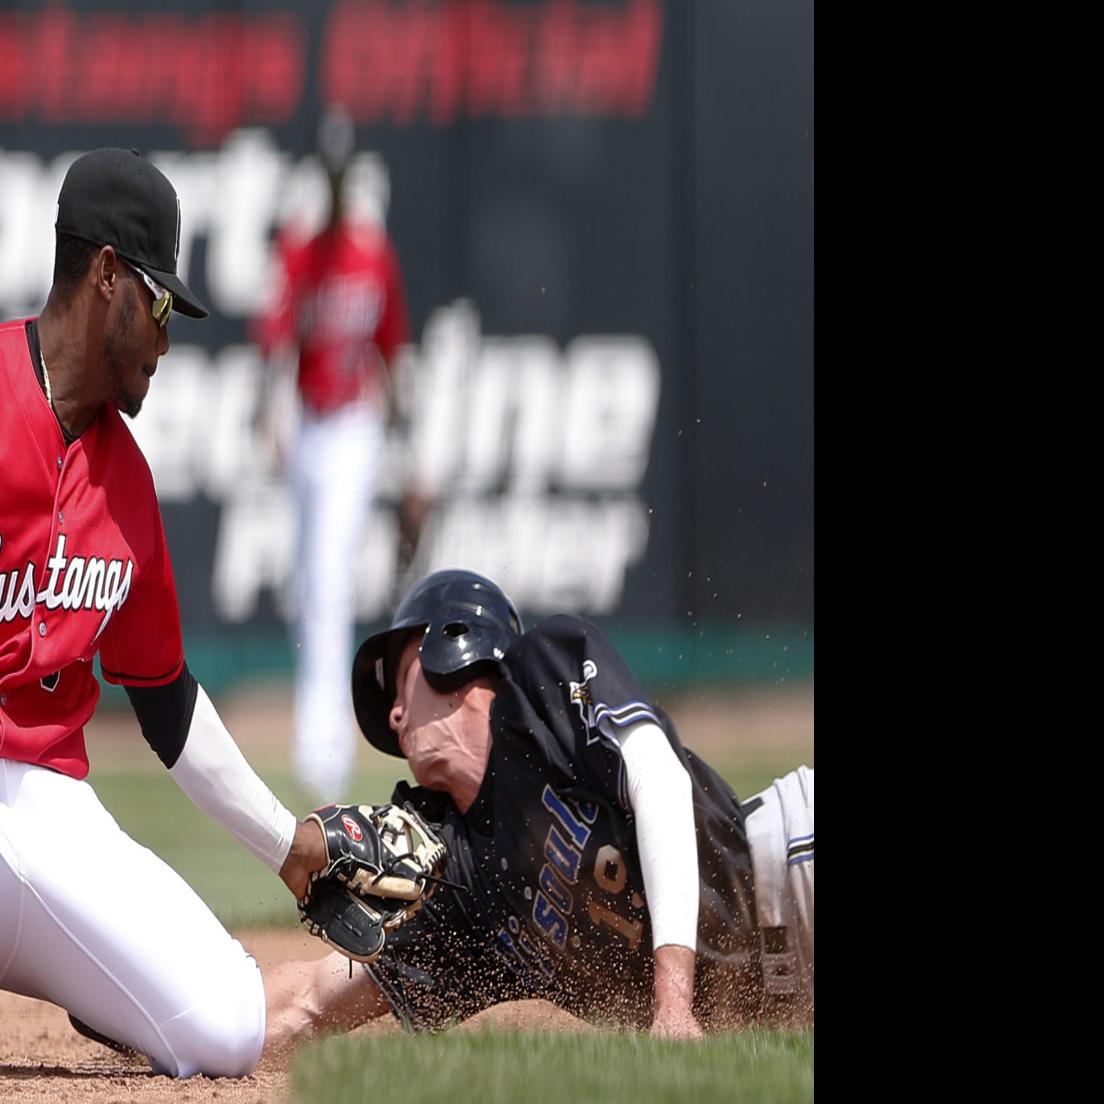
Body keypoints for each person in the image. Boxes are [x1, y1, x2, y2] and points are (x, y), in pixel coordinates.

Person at [0, 147, 330, 1078]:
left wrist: (289, 849)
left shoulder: (128, 488)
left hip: (44, 805)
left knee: (224, 1028)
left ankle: (99, 986)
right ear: (106, 274)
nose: (166, 340)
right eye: (158, 305)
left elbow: (166, 702)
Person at [264, 568, 814, 1045]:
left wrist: (672, 1005)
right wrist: (191, 1017)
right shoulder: (456, 878)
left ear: (454, 646)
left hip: (790, 868)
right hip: (774, 1006)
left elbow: (658, 778)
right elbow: (310, 1001)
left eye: (402, 680)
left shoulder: (540, 675)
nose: (395, 717)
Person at [253, 105, 412, 802]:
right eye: (333, 174)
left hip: (354, 424)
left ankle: (326, 751)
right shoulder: (300, 247)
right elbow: (277, 341)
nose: (341, 186)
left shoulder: (372, 250)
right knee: (311, 587)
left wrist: (414, 454)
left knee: (329, 580)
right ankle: (320, 742)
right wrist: (272, 413)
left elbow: (392, 352)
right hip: (313, 424)